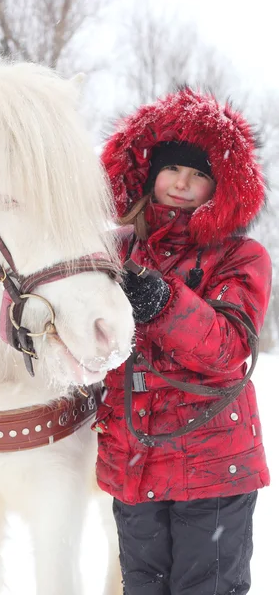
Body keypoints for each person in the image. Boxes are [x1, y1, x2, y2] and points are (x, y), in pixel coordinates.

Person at [93, 87, 272, 595]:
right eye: (173, 170)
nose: (182, 183)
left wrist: (163, 299)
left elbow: (228, 348)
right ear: (151, 175)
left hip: (212, 465)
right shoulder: (111, 249)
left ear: (217, 189)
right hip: (132, 460)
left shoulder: (241, 256)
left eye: (198, 175)